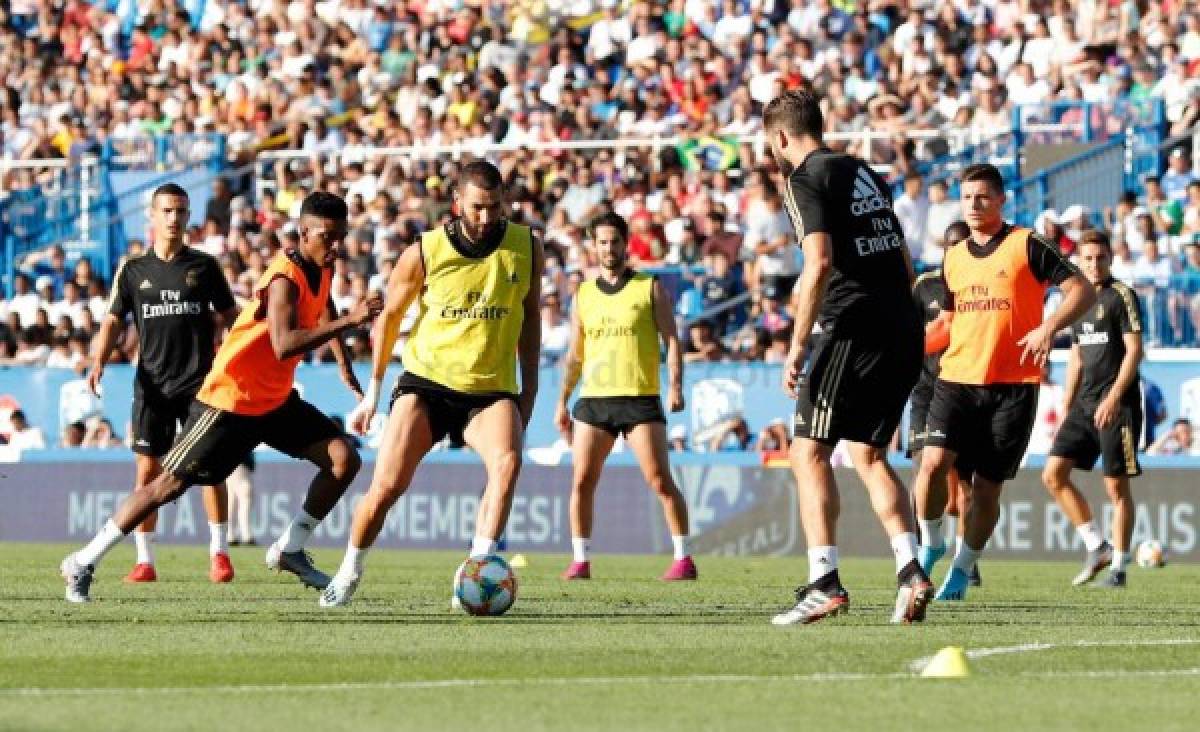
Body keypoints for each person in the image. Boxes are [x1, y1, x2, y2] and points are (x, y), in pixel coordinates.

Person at [61, 192, 384, 603]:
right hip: (231, 400)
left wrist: (341, 360)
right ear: (304, 233)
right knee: (166, 485)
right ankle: (83, 561)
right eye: (327, 237)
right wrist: (352, 322)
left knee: (344, 459)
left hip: (273, 400)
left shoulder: (320, 267)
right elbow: (284, 344)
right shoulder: (283, 278)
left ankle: (289, 549)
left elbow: (323, 305)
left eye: (340, 236)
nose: (336, 246)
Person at [323, 161, 543, 607]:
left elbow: (531, 318)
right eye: (478, 208)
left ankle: (478, 573)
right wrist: (374, 391)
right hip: (427, 385)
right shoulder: (426, 251)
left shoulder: (526, 247)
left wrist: (530, 388)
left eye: (495, 208)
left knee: (508, 463)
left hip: (490, 390)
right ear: (457, 202)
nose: (487, 218)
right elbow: (389, 319)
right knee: (386, 487)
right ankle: (350, 567)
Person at [762, 89, 932, 626]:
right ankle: (910, 571)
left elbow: (818, 263)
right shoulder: (863, 171)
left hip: (855, 325)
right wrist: (908, 317)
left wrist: (797, 343)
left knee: (808, 450)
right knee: (868, 453)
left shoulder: (803, 178)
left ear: (781, 137)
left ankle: (824, 581)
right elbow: (901, 250)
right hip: (901, 324)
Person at [913, 163, 1096, 602]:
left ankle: (961, 569)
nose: (974, 205)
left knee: (988, 489)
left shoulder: (1027, 245)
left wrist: (1050, 327)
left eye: (982, 197)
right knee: (933, 464)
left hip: (1014, 385)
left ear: (1000, 200)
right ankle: (932, 540)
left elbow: (1082, 290)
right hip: (956, 377)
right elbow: (952, 321)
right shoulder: (953, 257)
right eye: (967, 197)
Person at [89, 183, 241, 584]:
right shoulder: (133, 270)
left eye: (181, 211)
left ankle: (220, 554)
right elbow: (112, 322)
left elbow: (232, 318)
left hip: (200, 386)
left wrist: (233, 357)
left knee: (211, 470)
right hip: (153, 387)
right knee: (146, 473)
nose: (175, 218)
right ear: (152, 216)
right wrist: (98, 360)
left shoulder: (205, 267)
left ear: (188, 216)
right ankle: (145, 561)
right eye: (168, 211)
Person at [554, 212, 695, 581]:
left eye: (615, 241)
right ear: (593, 245)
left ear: (625, 242)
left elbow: (672, 340)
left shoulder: (649, 288)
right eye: (602, 242)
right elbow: (575, 353)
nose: (609, 248)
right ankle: (580, 559)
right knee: (582, 480)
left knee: (660, 480)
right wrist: (561, 401)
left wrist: (676, 385)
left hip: (639, 399)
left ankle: (683, 557)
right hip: (594, 400)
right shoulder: (583, 294)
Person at [1042, 230, 1145, 589]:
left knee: (1115, 489)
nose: (1094, 264)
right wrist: (1067, 405)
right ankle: (1095, 544)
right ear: (1078, 261)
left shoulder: (1121, 296)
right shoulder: (1078, 299)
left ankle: (1118, 567)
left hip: (1118, 407)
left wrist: (1115, 397)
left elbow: (1134, 351)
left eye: (1100, 258)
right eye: (1087, 259)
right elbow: (1076, 355)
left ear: (1110, 259)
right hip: (1084, 405)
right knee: (1053, 474)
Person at [909, 220, 980, 587]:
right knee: (926, 465)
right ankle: (921, 550)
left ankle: (964, 557)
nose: (956, 250)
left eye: (963, 244)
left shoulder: (979, 284)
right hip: (926, 388)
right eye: (951, 245)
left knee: (964, 488)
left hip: (965, 387)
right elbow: (909, 332)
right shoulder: (924, 286)